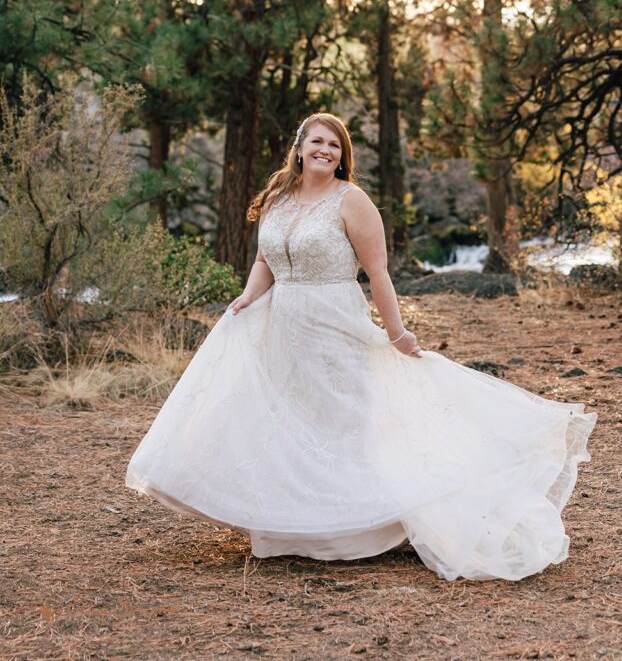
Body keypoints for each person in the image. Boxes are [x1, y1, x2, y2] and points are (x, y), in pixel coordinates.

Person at [126, 113, 596, 581]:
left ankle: (352, 529)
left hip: (334, 323)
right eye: (317, 141)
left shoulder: (352, 202)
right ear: (300, 146)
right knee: (292, 420)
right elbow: (264, 260)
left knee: (340, 419)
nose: (325, 150)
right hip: (283, 326)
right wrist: (249, 297)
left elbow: (379, 274)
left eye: (334, 145)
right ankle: (293, 529)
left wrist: (397, 333)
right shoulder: (277, 198)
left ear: (342, 156)